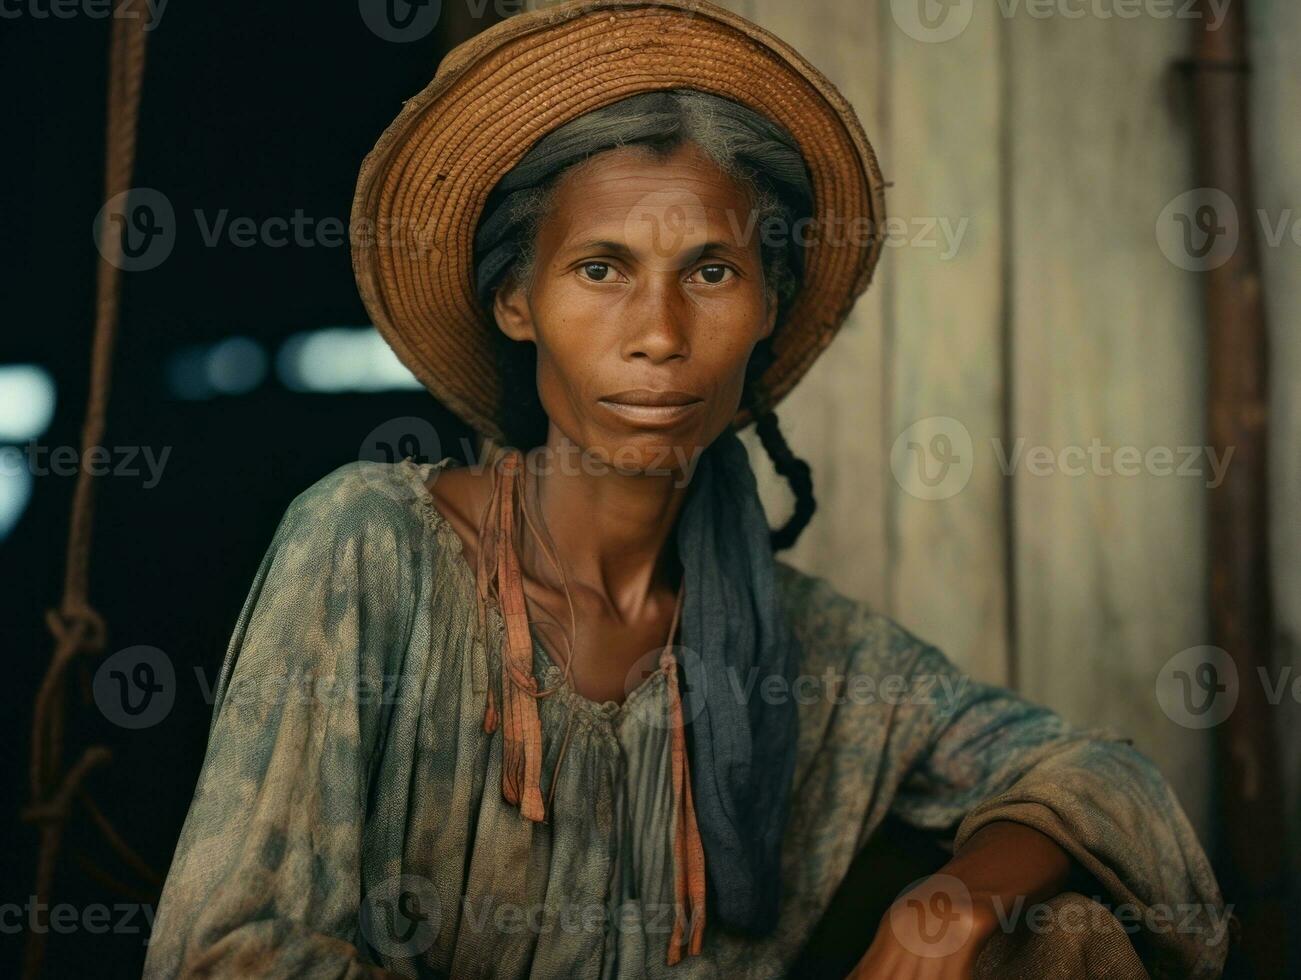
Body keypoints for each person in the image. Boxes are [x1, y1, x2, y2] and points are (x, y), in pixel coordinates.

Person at [143, 2, 1229, 977]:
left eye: (710, 272)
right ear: (515, 302)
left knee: (1059, 941)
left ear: (765, 309)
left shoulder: (810, 654)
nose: (657, 336)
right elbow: (227, 951)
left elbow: (1105, 777)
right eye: (598, 269)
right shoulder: (369, 545)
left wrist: (953, 900)